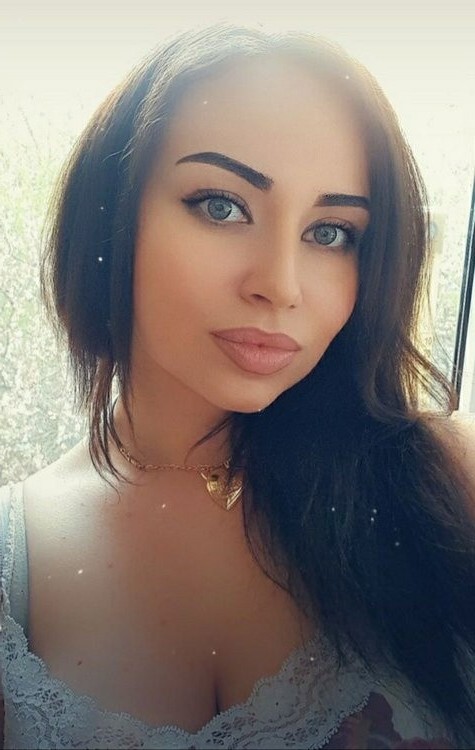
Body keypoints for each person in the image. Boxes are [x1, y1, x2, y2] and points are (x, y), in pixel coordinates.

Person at [0, 21, 474, 750]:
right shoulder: (17, 559)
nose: (280, 285)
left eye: (330, 232)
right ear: (110, 214)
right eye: (222, 206)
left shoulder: (448, 479)